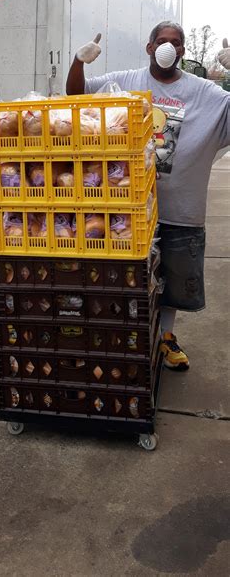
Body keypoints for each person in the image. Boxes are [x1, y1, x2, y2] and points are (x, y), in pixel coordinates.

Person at [66, 22, 230, 370]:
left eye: (175, 42)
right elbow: (75, 95)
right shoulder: (127, 81)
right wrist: (78, 62)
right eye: (161, 41)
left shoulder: (204, 92)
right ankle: (131, 338)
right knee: (126, 280)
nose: (168, 47)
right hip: (129, 209)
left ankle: (165, 338)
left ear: (183, 50)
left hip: (180, 210)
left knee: (172, 283)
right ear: (149, 46)